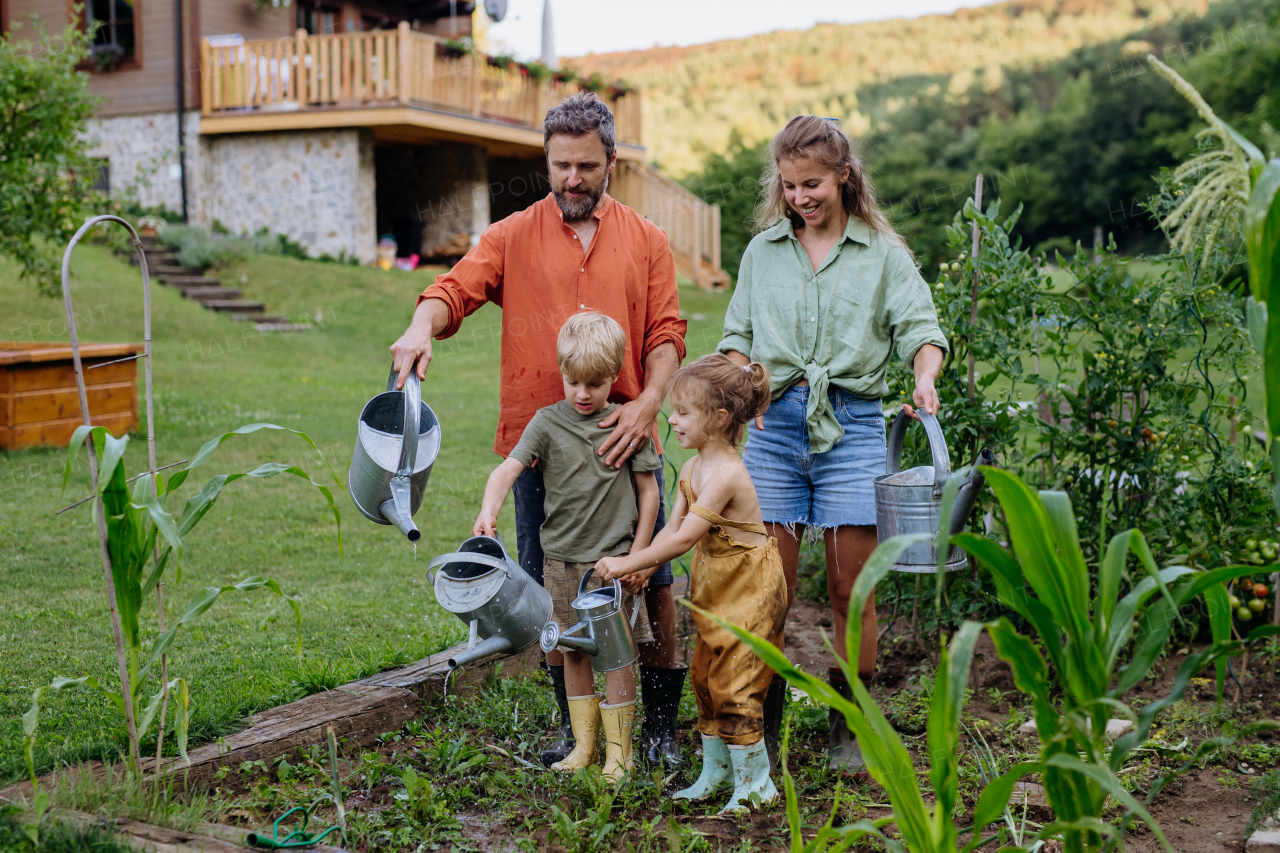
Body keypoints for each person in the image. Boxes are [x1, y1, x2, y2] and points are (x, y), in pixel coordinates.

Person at [389, 92, 689, 770]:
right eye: (560, 166)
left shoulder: (648, 240)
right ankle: (574, 731)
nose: (572, 180)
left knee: (655, 585)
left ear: (611, 160)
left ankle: (661, 728)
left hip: (625, 442)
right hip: (543, 451)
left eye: (586, 166)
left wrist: (648, 403)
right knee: (551, 590)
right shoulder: (512, 234)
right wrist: (418, 326)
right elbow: (453, 290)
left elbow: (667, 333)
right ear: (546, 161)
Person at [717, 115, 948, 773]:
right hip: (773, 427)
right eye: (789, 186)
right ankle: (763, 723)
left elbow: (921, 330)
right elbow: (738, 336)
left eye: (811, 183)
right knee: (767, 588)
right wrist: (740, 380)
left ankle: (852, 721)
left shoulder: (882, 252)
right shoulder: (764, 251)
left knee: (854, 587)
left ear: (844, 174)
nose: (800, 198)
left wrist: (924, 377)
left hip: (851, 427)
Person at [474, 313, 659, 784]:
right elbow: (507, 470)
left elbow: (649, 493)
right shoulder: (546, 423)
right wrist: (488, 511)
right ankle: (583, 745)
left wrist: (640, 558)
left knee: (616, 657)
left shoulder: (626, 421)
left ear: (613, 376)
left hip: (613, 565)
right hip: (561, 562)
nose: (581, 393)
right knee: (572, 651)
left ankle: (621, 753)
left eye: (594, 384)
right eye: (573, 381)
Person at [597, 354, 786, 814]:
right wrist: (642, 564)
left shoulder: (727, 474)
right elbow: (668, 532)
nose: (672, 420)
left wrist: (624, 563)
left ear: (719, 419)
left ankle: (757, 784)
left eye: (683, 412)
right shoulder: (691, 469)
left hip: (752, 590)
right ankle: (718, 772)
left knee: (736, 681)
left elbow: (682, 540)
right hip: (718, 589)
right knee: (705, 677)